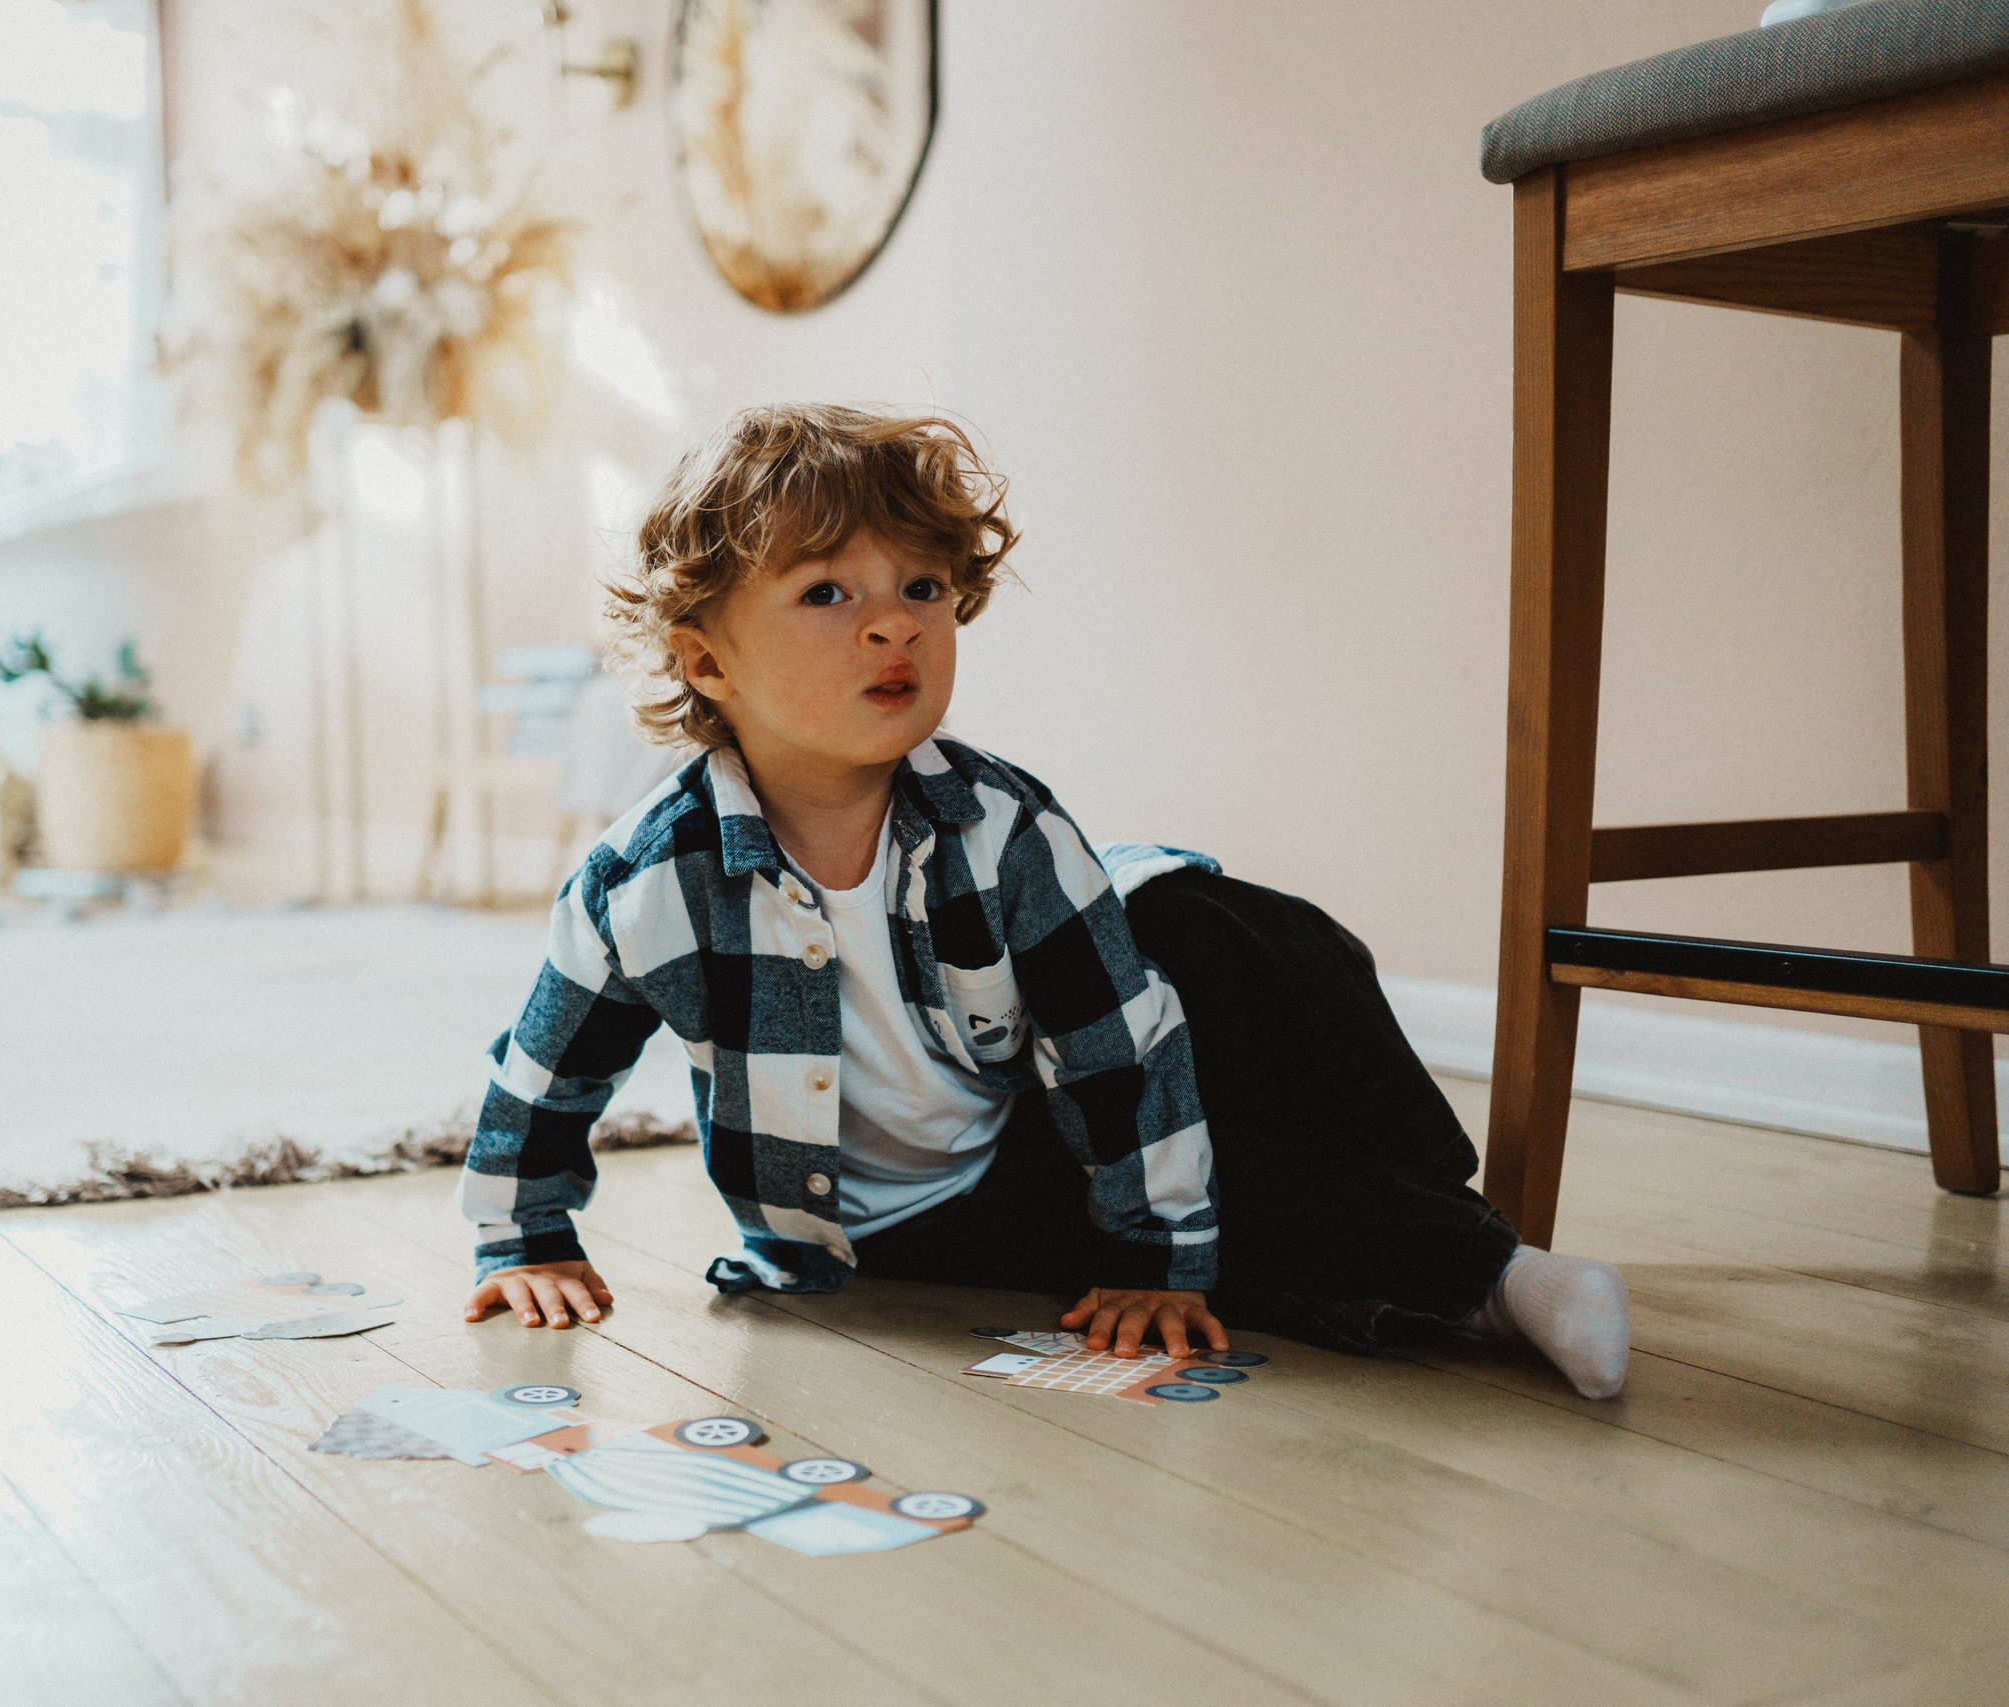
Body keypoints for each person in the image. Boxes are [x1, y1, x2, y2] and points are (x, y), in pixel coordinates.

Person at [454, 406, 1629, 1399]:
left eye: (922, 587)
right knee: (1224, 1206)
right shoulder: (646, 881)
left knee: (1199, 1048)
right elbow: (548, 1071)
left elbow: (1117, 1052)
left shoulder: (1003, 827)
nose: (893, 621)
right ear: (707, 664)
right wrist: (525, 1237)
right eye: (826, 593)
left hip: (1025, 1136)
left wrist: (1155, 1252)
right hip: (878, 1235)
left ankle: (1502, 1274)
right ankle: (1482, 1283)